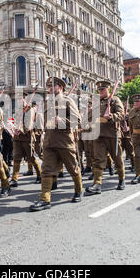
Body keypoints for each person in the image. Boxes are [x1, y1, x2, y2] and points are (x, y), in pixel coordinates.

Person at [29, 77, 83, 211]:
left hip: (64, 141)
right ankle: (44, 199)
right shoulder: (47, 103)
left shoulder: (68, 101)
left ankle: (78, 190)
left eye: (53, 86)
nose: (50, 89)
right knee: (46, 170)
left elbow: (78, 121)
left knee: (73, 168)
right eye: (49, 86)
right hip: (49, 141)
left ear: (61, 87)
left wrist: (62, 120)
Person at [85, 80, 125, 195]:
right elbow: (90, 117)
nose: (101, 91)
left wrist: (112, 116)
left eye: (102, 89)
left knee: (117, 158)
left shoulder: (114, 100)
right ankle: (97, 184)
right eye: (99, 90)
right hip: (98, 135)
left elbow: (122, 114)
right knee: (98, 160)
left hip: (112, 134)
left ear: (108, 89)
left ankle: (121, 179)